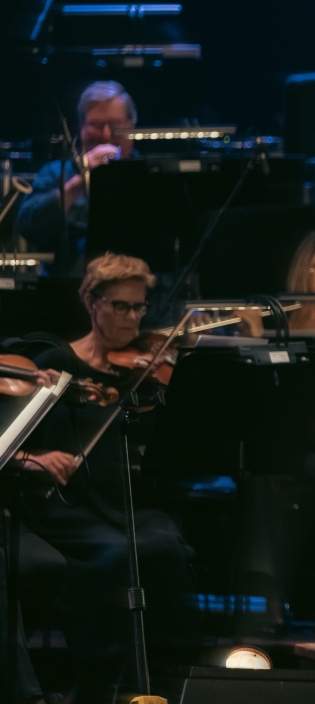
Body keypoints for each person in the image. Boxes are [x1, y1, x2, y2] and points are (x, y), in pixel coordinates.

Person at [18, 253, 196, 704]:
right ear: (91, 302)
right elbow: (19, 434)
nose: (131, 318)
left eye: (138, 307)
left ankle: (165, 672)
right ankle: (97, 674)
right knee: (114, 553)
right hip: (67, 502)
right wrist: (36, 456)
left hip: (123, 499)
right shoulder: (56, 361)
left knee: (167, 544)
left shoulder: (142, 369)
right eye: (120, 306)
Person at [17, 81, 136, 275]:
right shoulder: (56, 172)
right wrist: (79, 181)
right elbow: (26, 226)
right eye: (96, 125)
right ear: (81, 127)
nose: (106, 135)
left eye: (116, 125)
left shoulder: (150, 173)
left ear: (132, 126)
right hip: (71, 286)